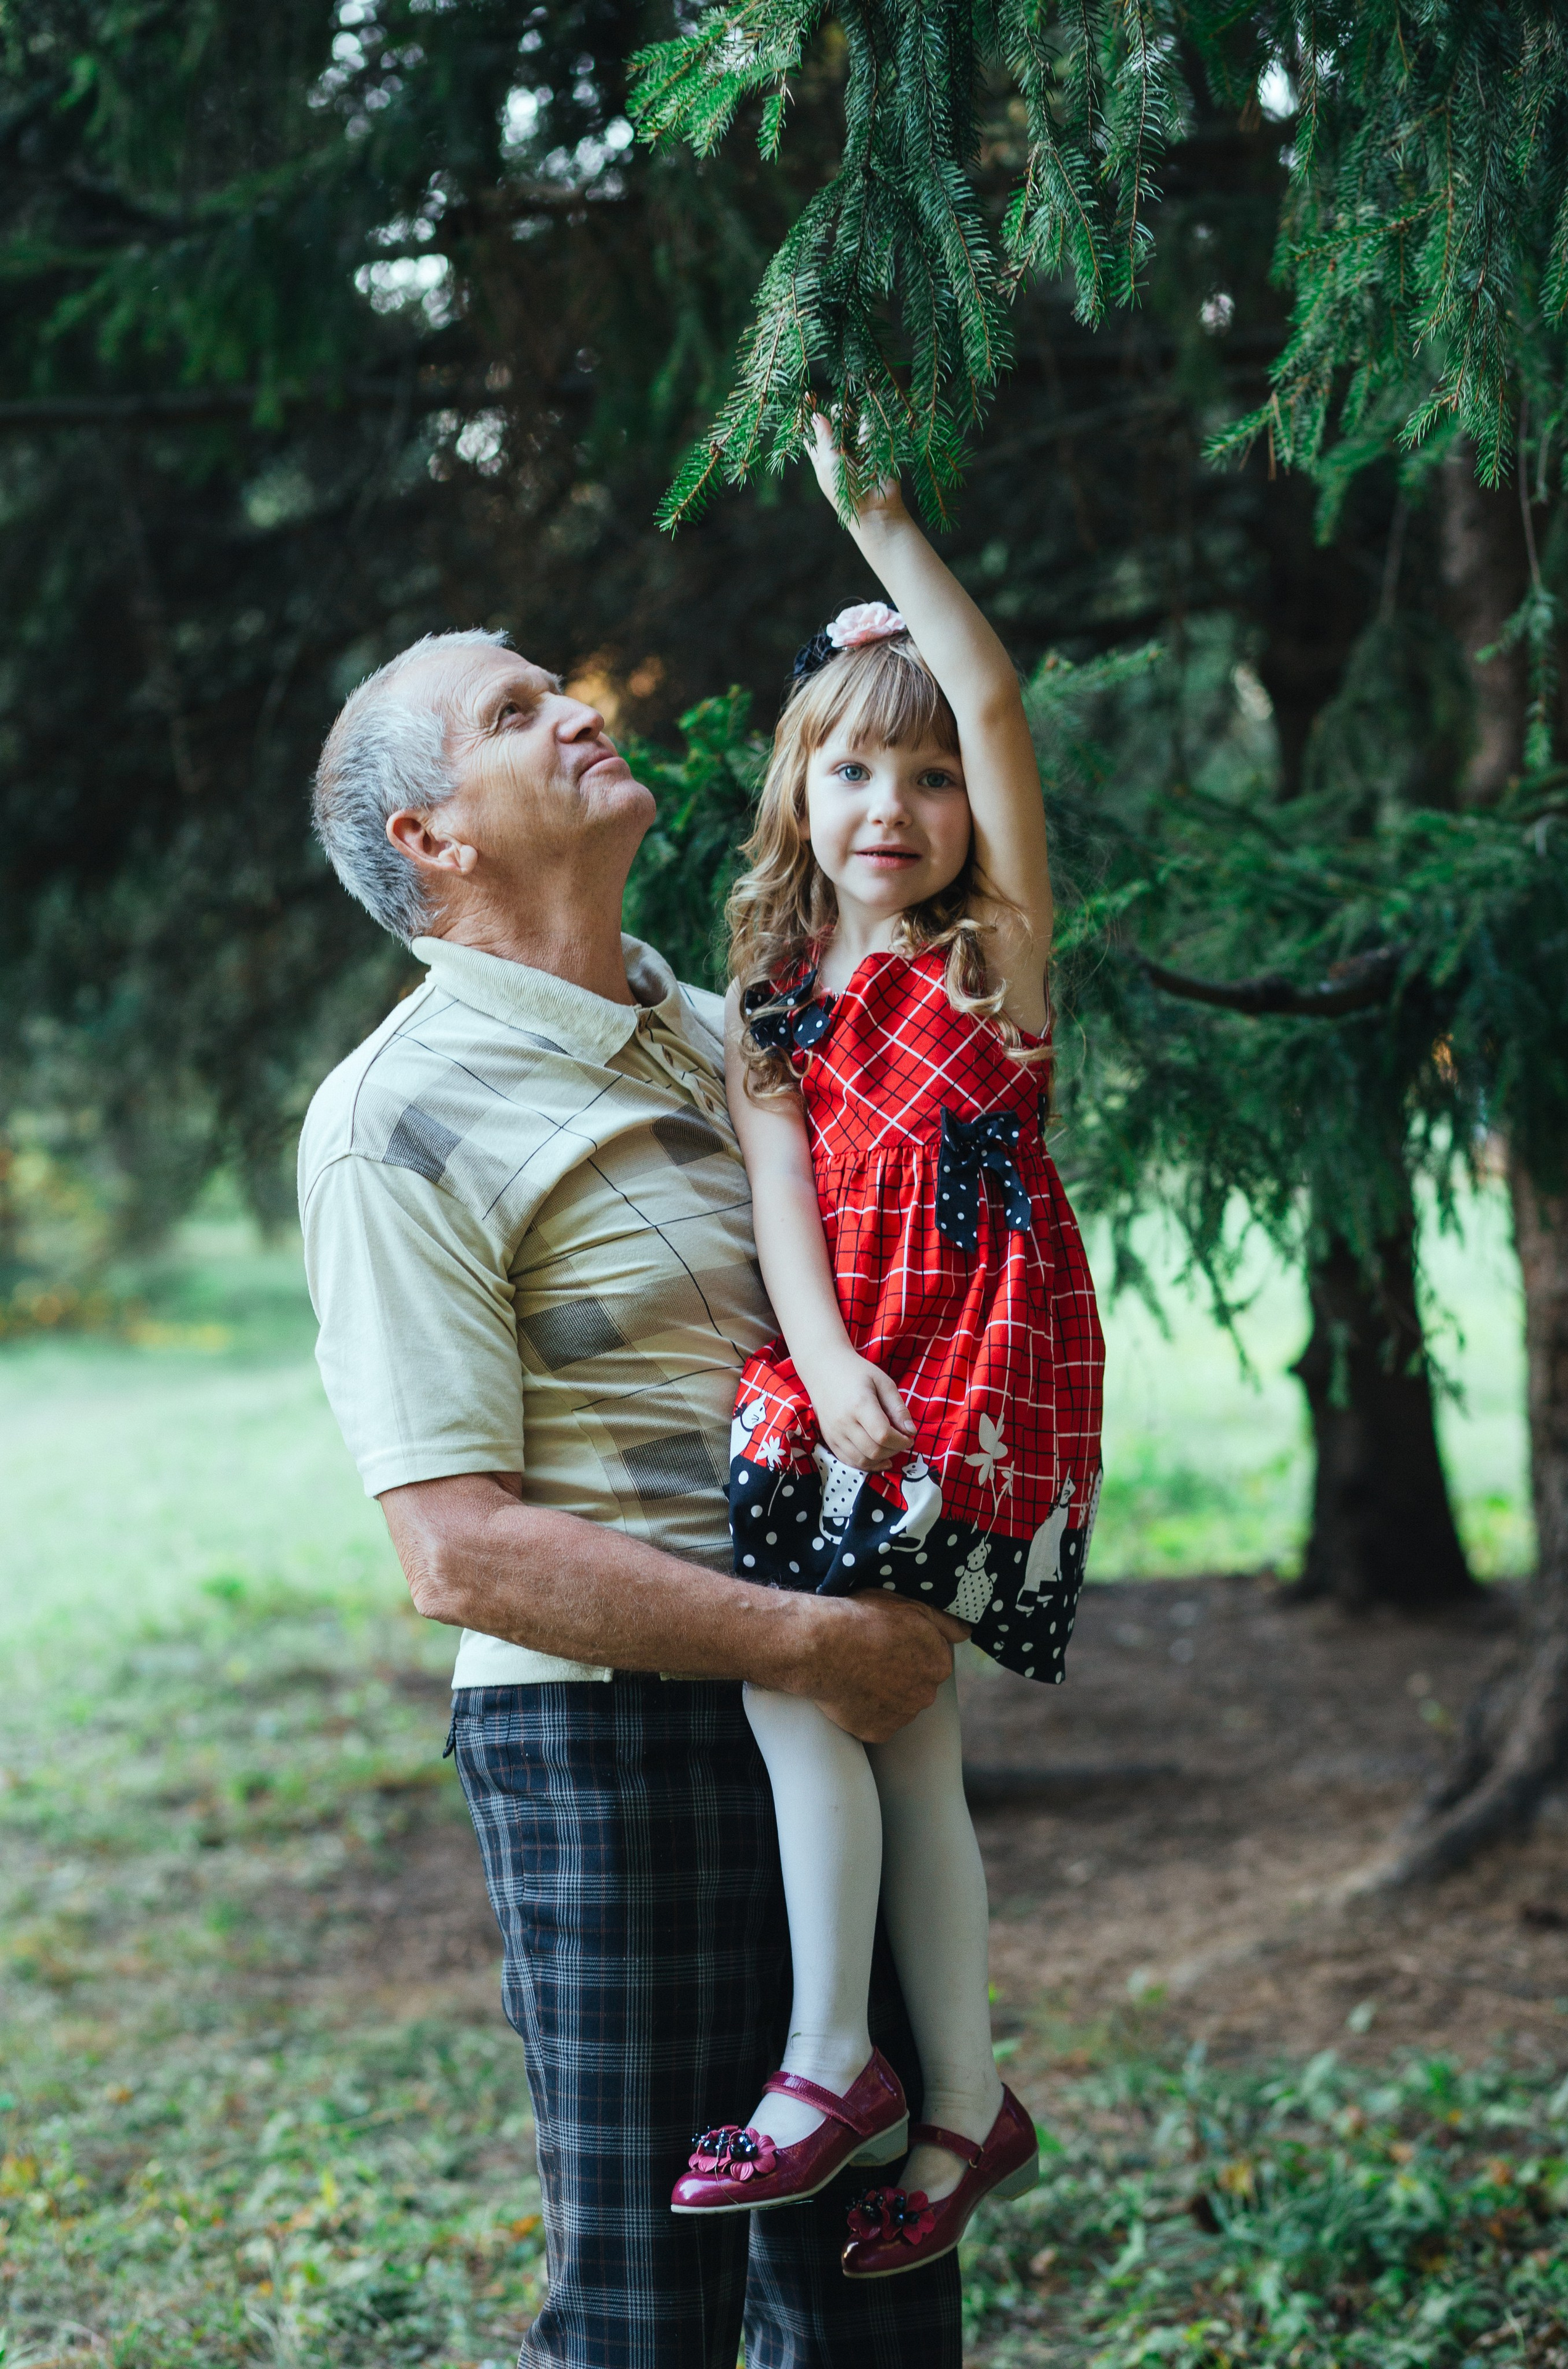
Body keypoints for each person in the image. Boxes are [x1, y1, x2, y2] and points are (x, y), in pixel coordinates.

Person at [297, 624, 967, 2365]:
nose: (577, 710)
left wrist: (880, 642)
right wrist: (807, 1643)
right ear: (433, 838)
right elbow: (454, 1550)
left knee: (879, 2295)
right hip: (608, 1749)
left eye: (556, 687)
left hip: (832, 1723)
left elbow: (929, 868)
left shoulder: (737, 1033)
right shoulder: (392, 1121)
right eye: (514, 713)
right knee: (646, 2311)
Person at [669, 420, 1104, 2278]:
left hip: (977, 1372)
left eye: (928, 779)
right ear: (798, 787)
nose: (894, 807)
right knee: (902, 1737)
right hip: (847, 1372)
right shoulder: (776, 998)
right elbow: (783, 1197)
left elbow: (992, 701)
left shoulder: (995, 950)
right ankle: (965, 2101)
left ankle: (832, 2057)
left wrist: (883, 524)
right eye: (853, 767)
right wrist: (827, 1360)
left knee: (805, 1684)